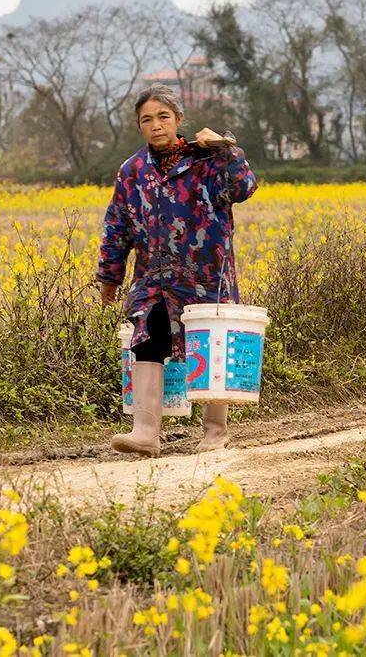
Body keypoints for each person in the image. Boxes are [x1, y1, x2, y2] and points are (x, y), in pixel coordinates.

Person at [96, 83, 258, 458]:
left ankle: (215, 432)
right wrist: (109, 275)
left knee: (209, 346)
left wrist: (226, 147)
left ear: (179, 120)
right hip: (153, 277)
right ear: (139, 127)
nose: (156, 125)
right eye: (147, 120)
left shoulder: (208, 160)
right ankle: (145, 433)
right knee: (147, 339)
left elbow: (245, 187)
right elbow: (117, 224)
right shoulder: (132, 171)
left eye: (163, 117)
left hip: (205, 274)